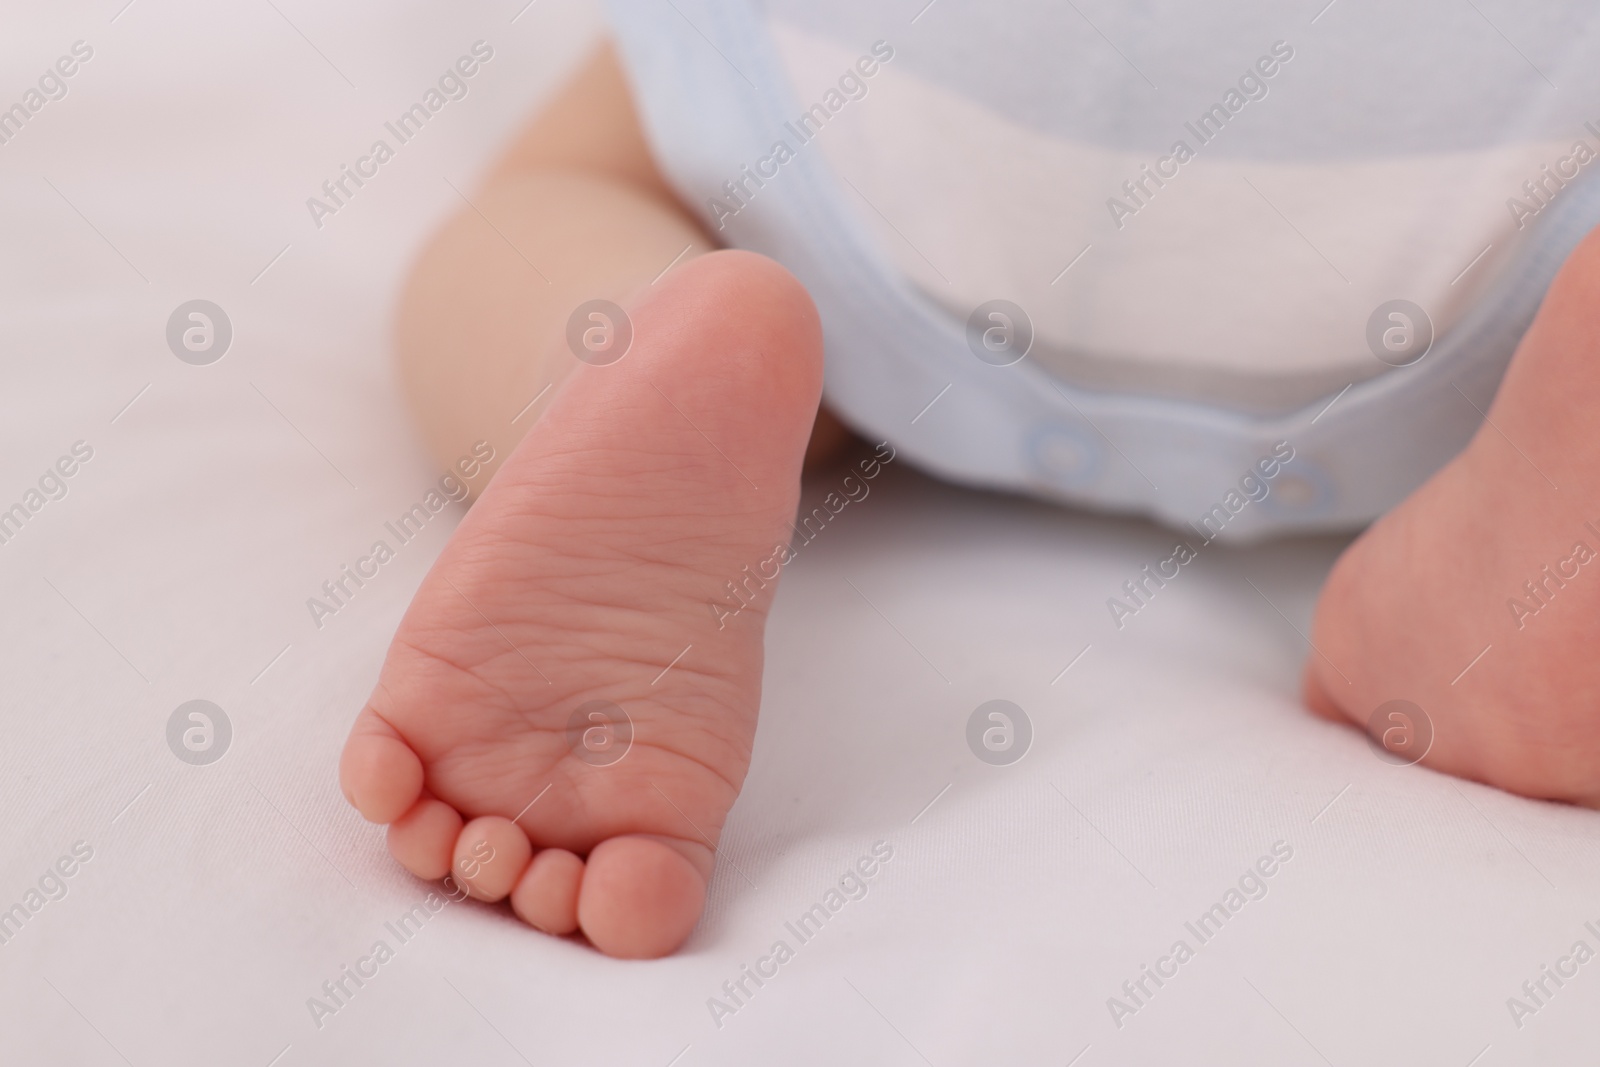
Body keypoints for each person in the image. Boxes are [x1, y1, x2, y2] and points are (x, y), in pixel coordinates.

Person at [339, 4, 1600, 957]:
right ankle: (1513, 564)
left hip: (901, 75)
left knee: (579, 193)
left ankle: (614, 333)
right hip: (1487, 114)